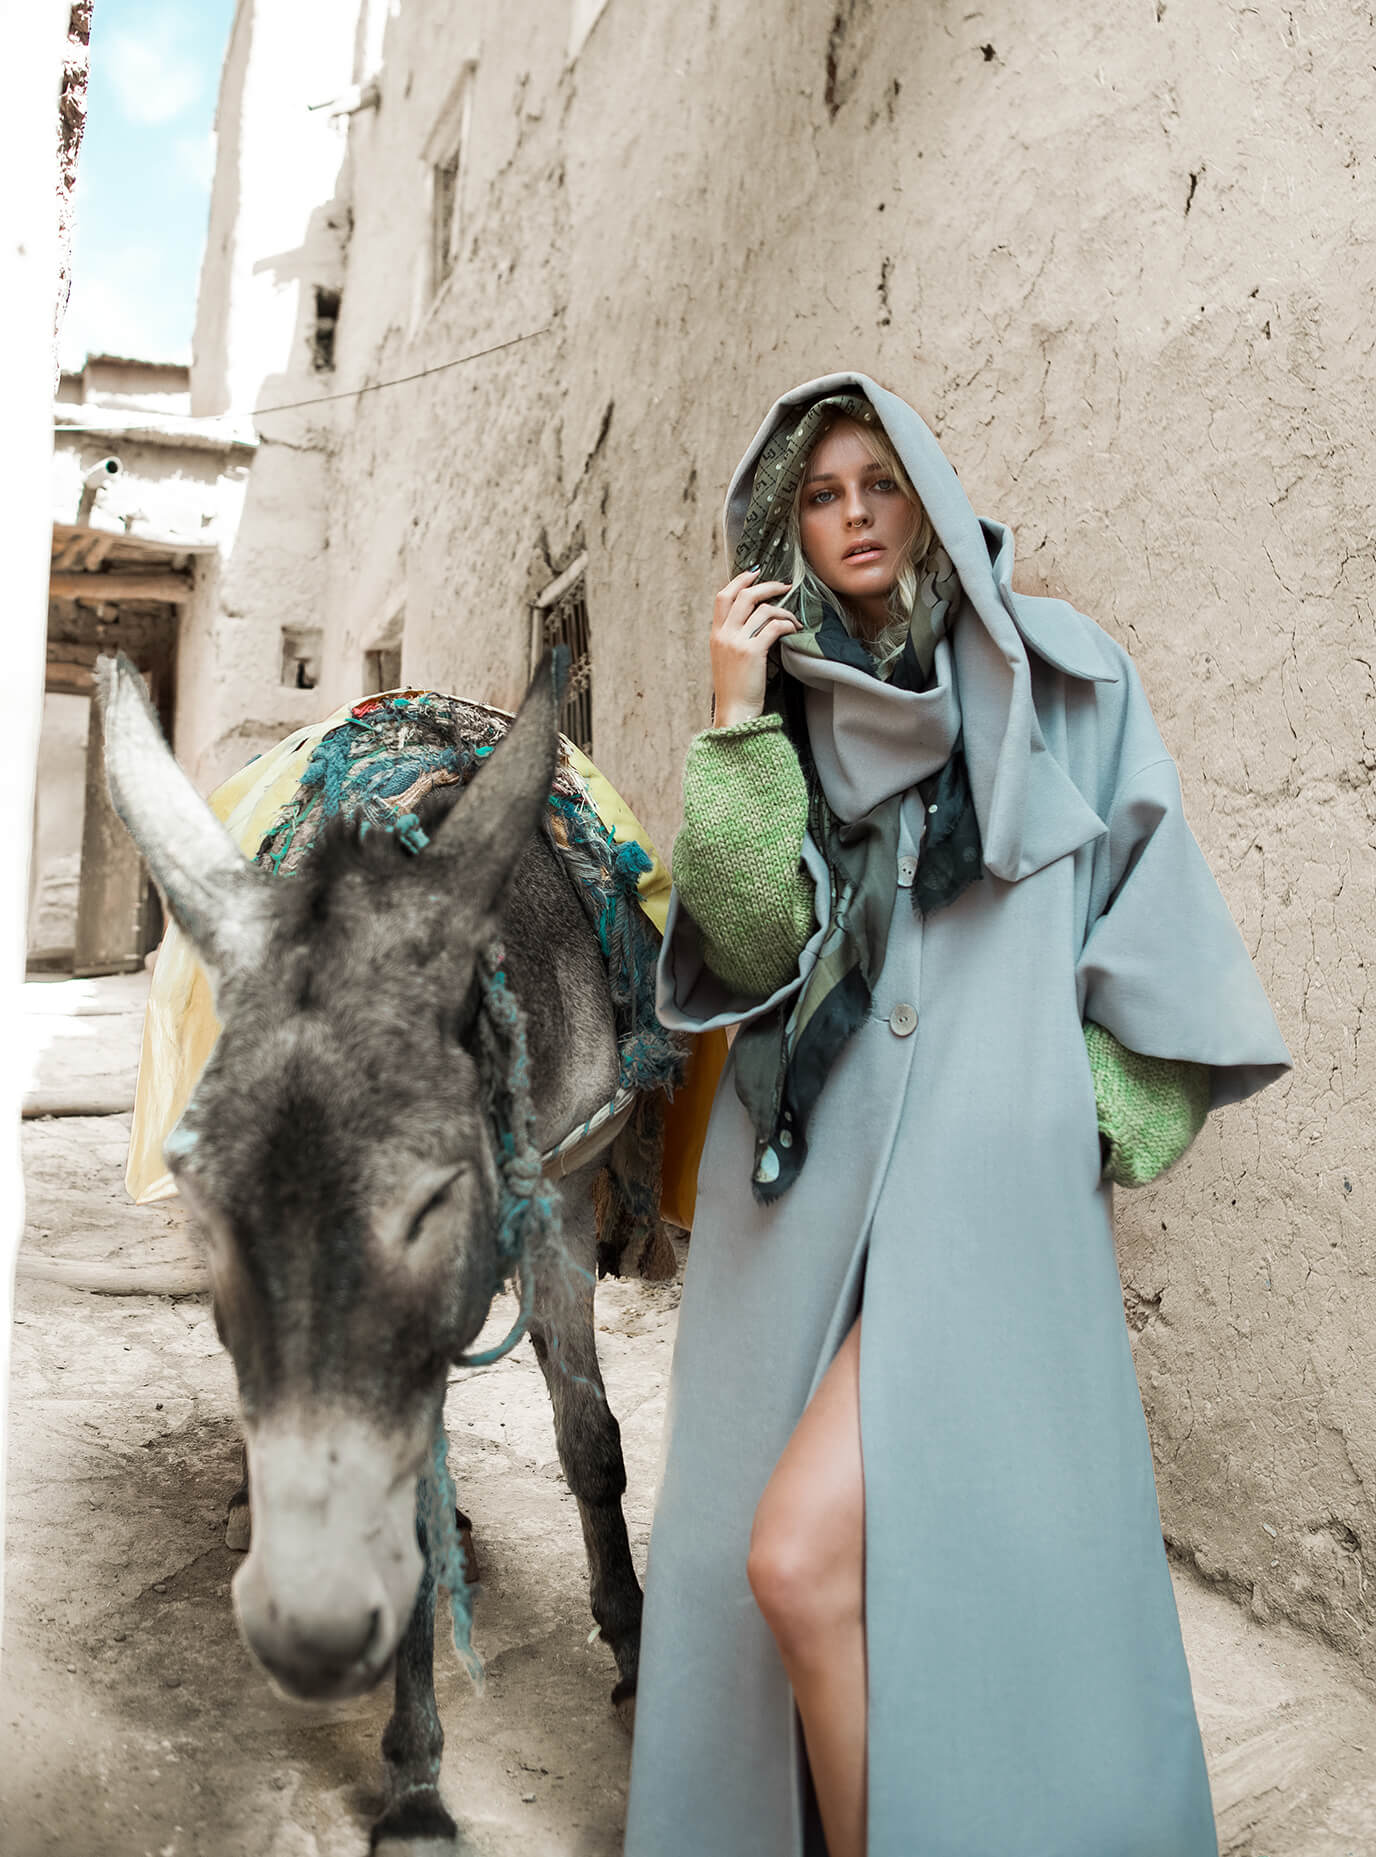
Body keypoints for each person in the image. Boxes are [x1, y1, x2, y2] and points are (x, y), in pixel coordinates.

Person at [622, 373, 1292, 1857]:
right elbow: (748, 946)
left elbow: (1164, 924)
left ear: (926, 499)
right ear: (787, 526)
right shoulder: (789, 716)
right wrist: (735, 719)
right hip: (811, 1202)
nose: (855, 515)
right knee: (805, 1568)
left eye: (882, 483)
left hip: (988, 1214)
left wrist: (1081, 1120)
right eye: (821, 494)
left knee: (857, 1563)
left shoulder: (1068, 681)